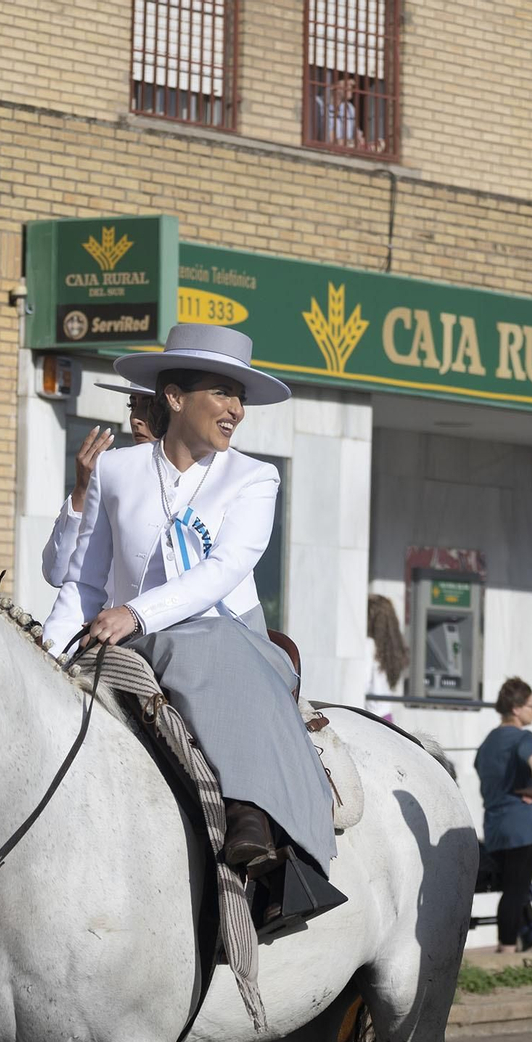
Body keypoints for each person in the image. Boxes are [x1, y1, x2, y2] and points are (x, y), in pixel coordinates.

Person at [40, 324, 335, 884]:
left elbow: (222, 572)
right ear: (175, 398)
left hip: (230, 644)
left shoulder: (256, 477)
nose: (236, 410)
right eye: (222, 393)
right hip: (134, 644)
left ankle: (256, 820)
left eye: (239, 397)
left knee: (211, 641)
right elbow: (82, 584)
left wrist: (136, 614)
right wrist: (49, 658)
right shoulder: (116, 471)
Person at [41, 381, 157, 588]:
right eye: (132, 405)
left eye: (149, 406)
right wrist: (83, 490)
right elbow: (58, 573)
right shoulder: (112, 473)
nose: (135, 418)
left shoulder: (209, 482)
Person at [475, 677, 532, 953]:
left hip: (495, 829)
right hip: (523, 828)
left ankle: (521, 938)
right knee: (515, 891)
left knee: (514, 887)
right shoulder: (522, 738)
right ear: (517, 709)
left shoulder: (488, 742)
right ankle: (506, 948)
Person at [367, 594, 408, 720]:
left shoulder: (369, 646)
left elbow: (361, 684)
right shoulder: (392, 649)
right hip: (386, 717)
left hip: (370, 717)